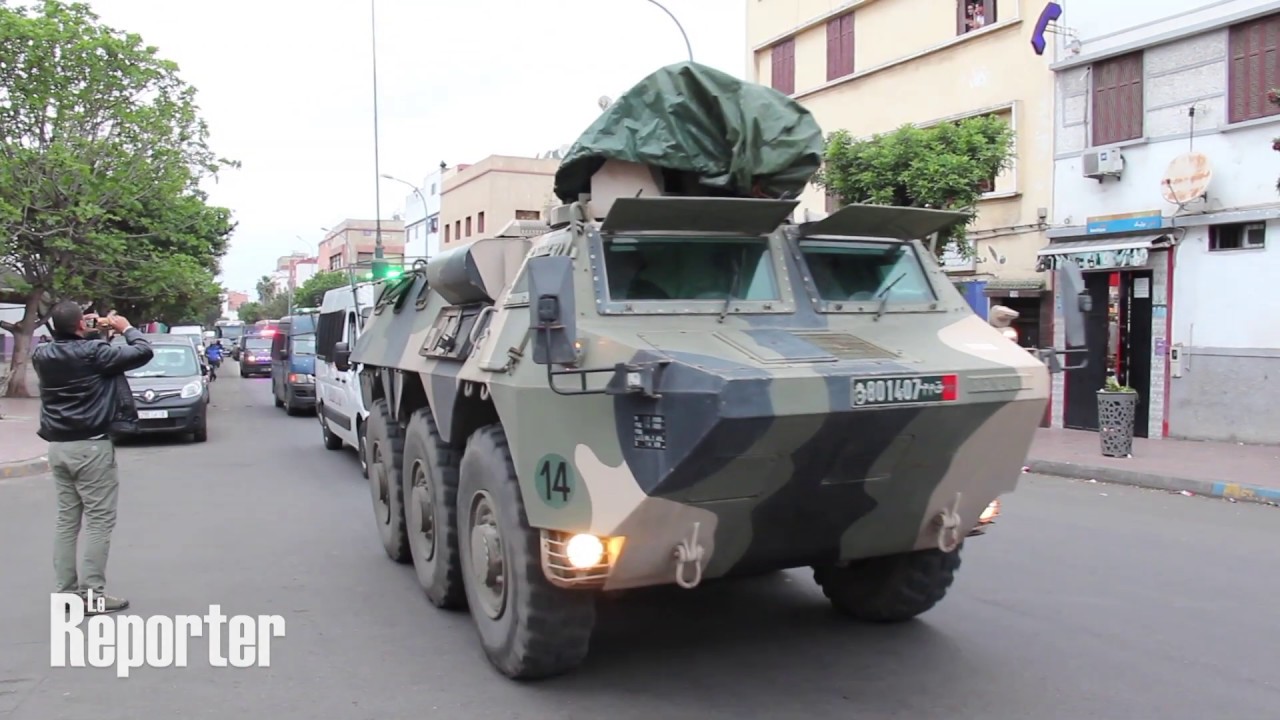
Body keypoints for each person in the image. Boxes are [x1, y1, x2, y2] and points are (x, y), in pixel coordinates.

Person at [31, 303, 153, 615]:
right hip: (92, 447)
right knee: (99, 521)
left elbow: (78, 354)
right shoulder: (94, 353)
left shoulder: (42, 354)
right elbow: (142, 351)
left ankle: (66, 594)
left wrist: (92, 333)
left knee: (66, 521)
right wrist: (125, 328)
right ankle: (92, 595)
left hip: (58, 447)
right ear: (80, 325)